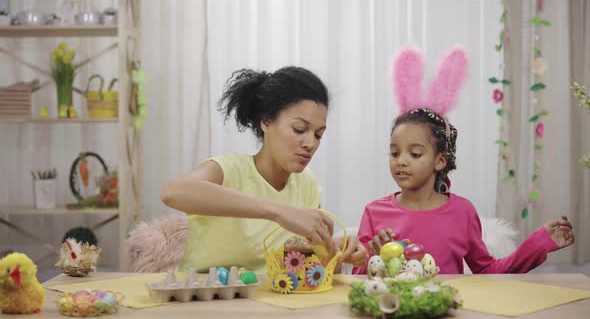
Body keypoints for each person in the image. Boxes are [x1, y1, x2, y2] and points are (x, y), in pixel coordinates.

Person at [355, 47, 574, 274]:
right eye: (394, 153)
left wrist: (538, 244)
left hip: (449, 309)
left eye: (415, 153)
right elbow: (357, 279)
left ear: (440, 161)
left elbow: (488, 271)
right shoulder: (374, 212)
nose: (401, 161)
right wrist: (374, 256)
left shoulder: (463, 212)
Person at [161, 66, 368, 273]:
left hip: (272, 300)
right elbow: (173, 193)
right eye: (299, 129)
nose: (310, 143)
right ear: (267, 122)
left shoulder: (307, 184)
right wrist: (280, 212)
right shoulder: (229, 169)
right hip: (206, 297)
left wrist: (335, 252)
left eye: (318, 134)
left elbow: (309, 270)